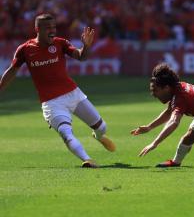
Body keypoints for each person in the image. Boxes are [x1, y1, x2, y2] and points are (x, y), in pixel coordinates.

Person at [0, 13, 115, 168]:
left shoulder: (60, 43)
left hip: (73, 94)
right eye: (48, 28)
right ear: (37, 29)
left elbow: (81, 57)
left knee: (102, 128)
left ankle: (99, 136)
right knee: (66, 133)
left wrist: (86, 46)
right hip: (51, 102)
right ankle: (87, 160)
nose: (52, 31)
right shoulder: (25, 50)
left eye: (54, 27)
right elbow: (12, 70)